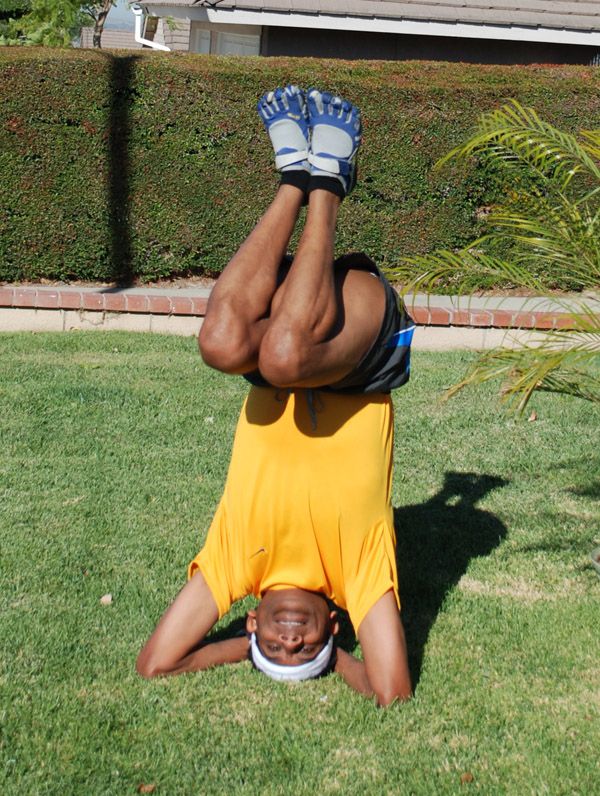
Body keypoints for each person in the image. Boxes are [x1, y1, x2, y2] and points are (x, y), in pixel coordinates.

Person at [137, 86, 415, 706]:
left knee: (220, 342)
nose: (290, 646)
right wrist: (339, 660)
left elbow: (156, 663)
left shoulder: (236, 564)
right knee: (286, 356)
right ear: (331, 633)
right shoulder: (355, 577)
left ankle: (293, 178)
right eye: (305, 654)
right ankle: (329, 186)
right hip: (361, 353)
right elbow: (391, 692)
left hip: (291, 337)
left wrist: (242, 645)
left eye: (273, 651)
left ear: (255, 623)